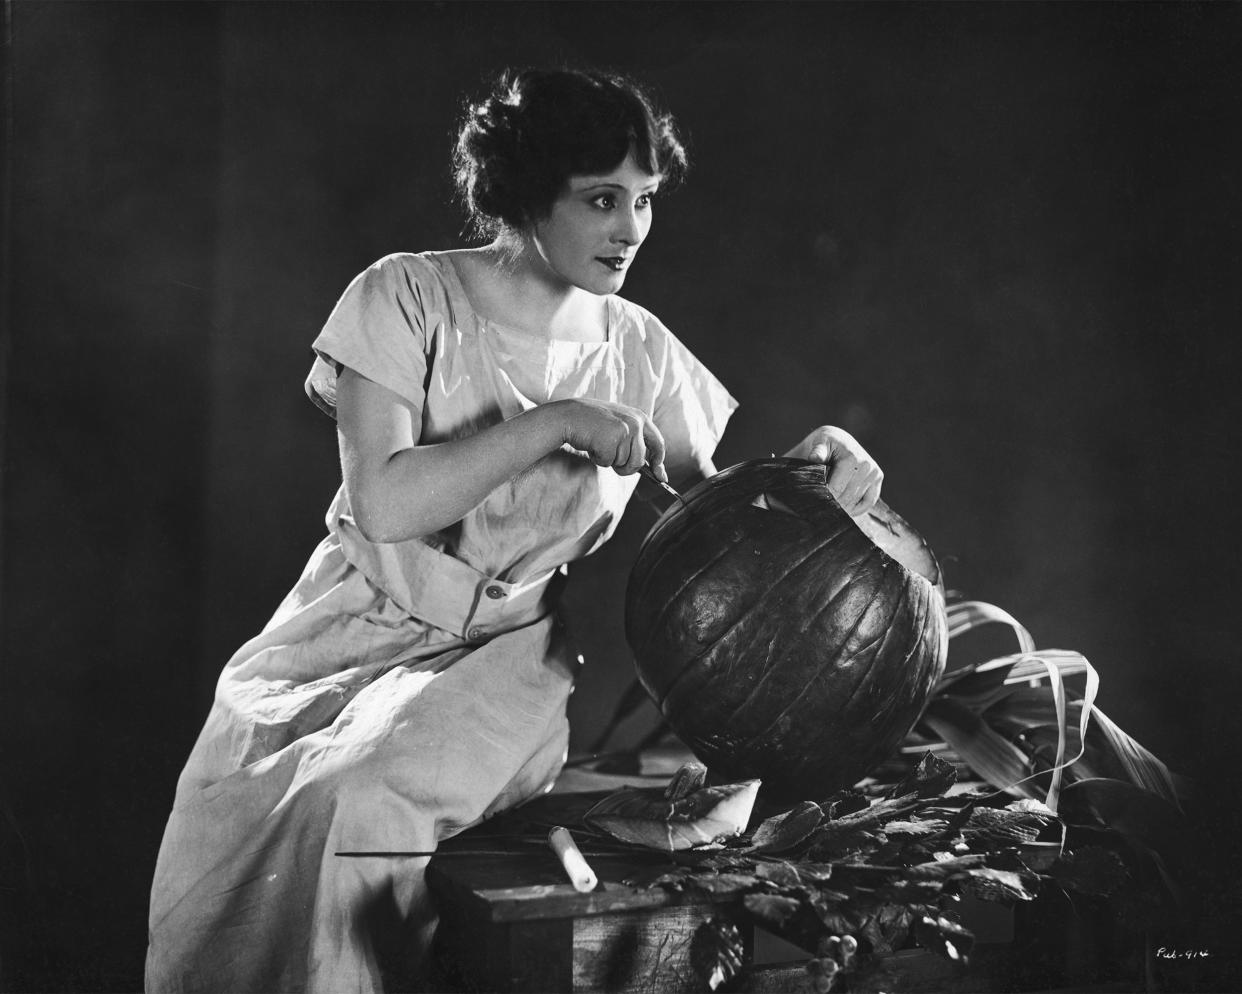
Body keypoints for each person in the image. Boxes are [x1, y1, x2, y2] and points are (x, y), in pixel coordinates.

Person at [144, 67, 884, 993]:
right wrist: (558, 421)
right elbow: (385, 504)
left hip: (502, 661)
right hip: (341, 626)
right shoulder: (403, 298)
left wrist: (816, 460)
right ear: (528, 190)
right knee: (223, 804)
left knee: (357, 804)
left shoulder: (642, 351)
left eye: (645, 200)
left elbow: (723, 523)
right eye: (602, 199)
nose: (630, 230)